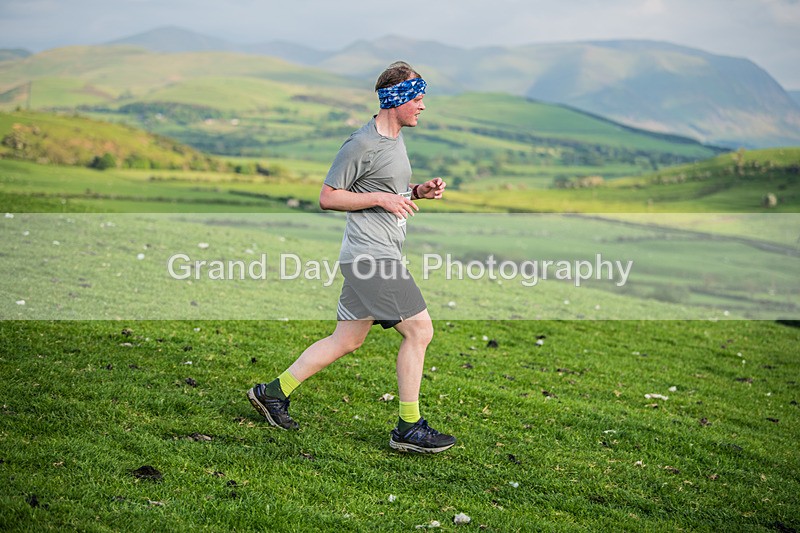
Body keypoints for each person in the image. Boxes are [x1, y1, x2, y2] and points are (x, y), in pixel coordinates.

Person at [248, 61, 456, 454]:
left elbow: (385, 189)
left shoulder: (393, 141)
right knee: (420, 331)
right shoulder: (361, 144)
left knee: (346, 339)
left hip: (371, 256)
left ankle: (272, 393)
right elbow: (329, 196)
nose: (423, 106)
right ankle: (408, 427)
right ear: (396, 100)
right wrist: (382, 198)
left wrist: (416, 192)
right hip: (371, 258)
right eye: (418, 98)